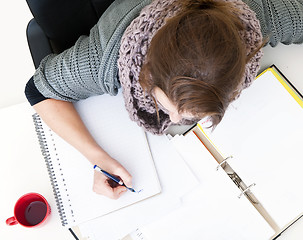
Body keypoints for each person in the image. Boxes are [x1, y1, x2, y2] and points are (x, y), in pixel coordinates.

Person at [25, 0, 303, 199]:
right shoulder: (105, 59)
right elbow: (38, 91)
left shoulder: (251, 19)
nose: (176, 122)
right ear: (145, 76)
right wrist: (98, 159)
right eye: (169, 109)